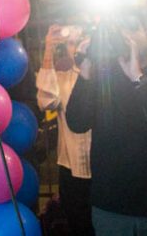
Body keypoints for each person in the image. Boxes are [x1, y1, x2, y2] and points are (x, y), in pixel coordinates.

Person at [66, 19, 147, 235]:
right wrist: (85, 69)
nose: (126, 36)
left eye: (132, 28)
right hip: (111, 206)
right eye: (120, 30)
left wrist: (137, 77)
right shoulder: (103, 81)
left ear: (146, 35)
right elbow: (76, 123)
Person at [36, 24, 94, 236]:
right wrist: (49, 49)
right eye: (71, 43)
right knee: (78, 225)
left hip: (105, 167)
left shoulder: (105, 76)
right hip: (70, 166)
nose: (76, 48)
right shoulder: (62, 76)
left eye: (80, 42)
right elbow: (46, 101)